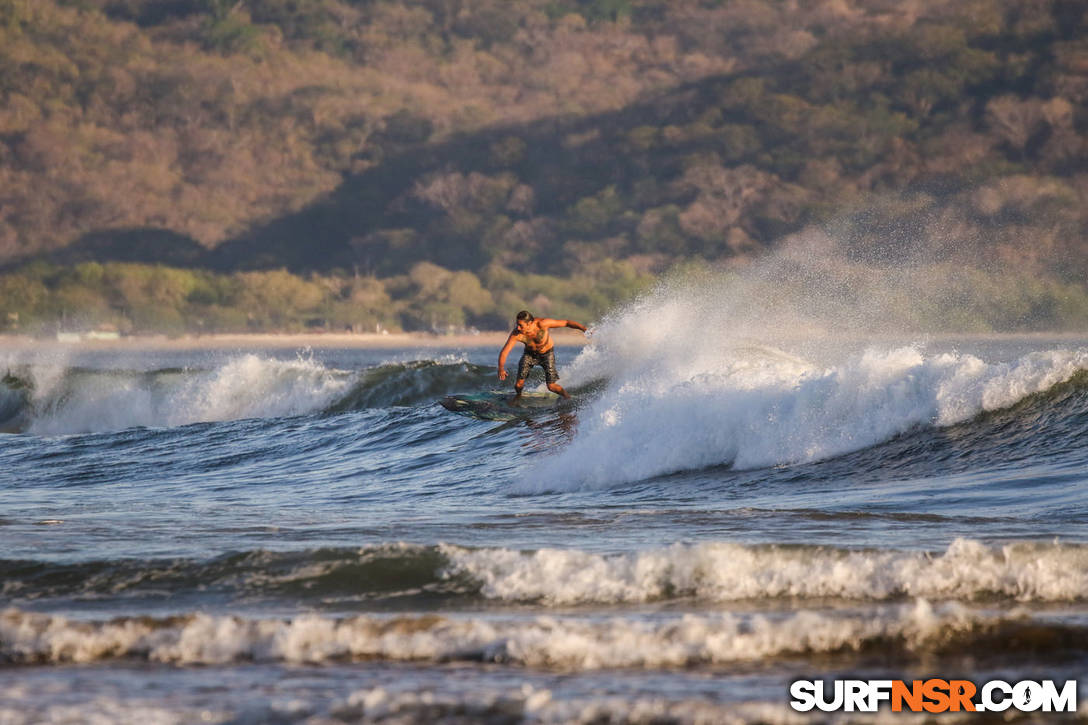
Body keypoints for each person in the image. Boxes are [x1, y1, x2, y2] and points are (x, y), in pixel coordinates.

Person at [497, 310, 587, 400]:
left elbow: (566, 323)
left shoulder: (542, 324)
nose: (518, 328)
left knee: (551, 386)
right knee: (518, 385)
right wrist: (501, 368)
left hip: (547, 354)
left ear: (529, 323)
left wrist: (584, 329)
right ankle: (519, 397)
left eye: (521, 325)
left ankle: (567, 397)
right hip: (529, 355)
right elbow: (505, 351)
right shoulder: (516, 334)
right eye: (517, 324)